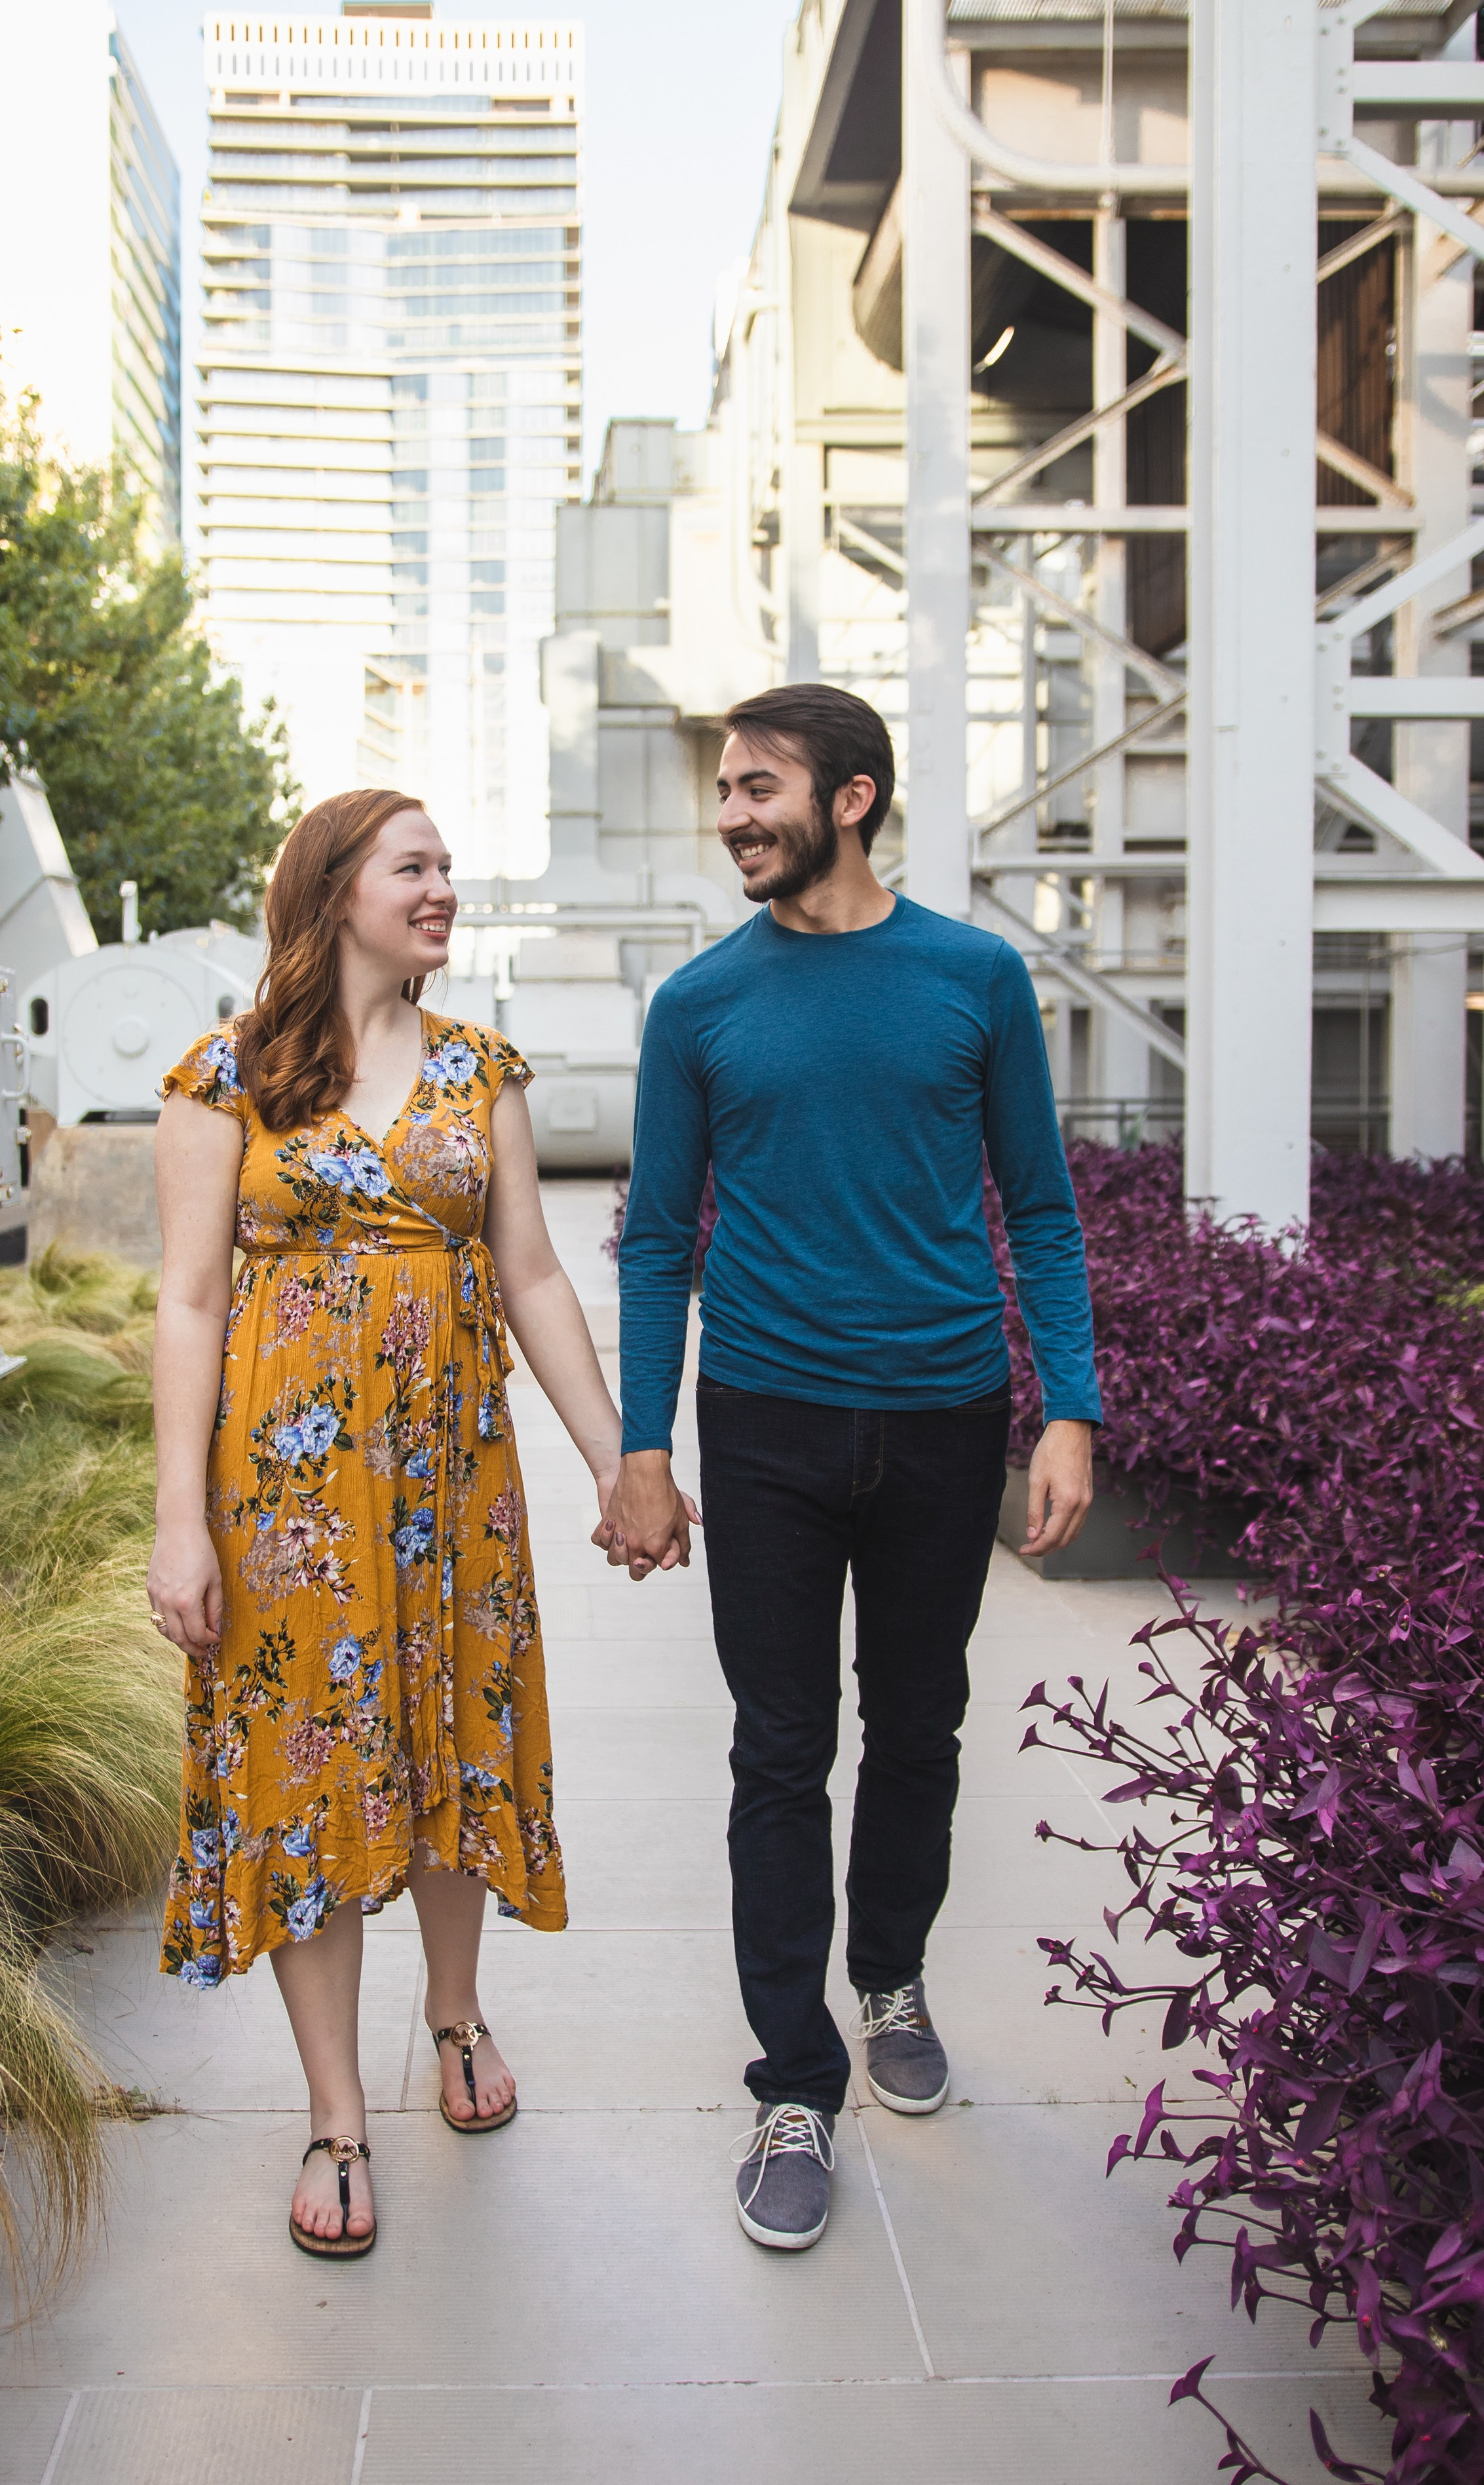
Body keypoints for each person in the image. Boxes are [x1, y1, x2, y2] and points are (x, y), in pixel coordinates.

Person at [600, 685, 1101, 2252]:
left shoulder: (971, 979)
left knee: (921, 1722)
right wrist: (639, 1444)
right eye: (729, 791)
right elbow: (657, 1245)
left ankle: (886, 1972)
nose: (735, 813)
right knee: (774, 1747)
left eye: (760, 788)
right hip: (761, 1423)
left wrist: (1067, 1405)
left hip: (945, 1418)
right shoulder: (696, 1006)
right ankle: (791, 2083)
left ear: (852, 798)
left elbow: (1040, 1208)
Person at [147, 786, 651, 2260]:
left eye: (448, 868)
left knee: (449, 1738)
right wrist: (180, 1520)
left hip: (449, 1477)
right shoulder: (221, 1079)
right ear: (332, 888)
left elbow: (537, 1278)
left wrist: (617, 1457)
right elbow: (182, 1305)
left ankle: (453, 2012)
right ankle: (333, 2112)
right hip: (287, 1500)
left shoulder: (478, 1067)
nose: (443, 888)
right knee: (315, 1767)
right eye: (413, 866)